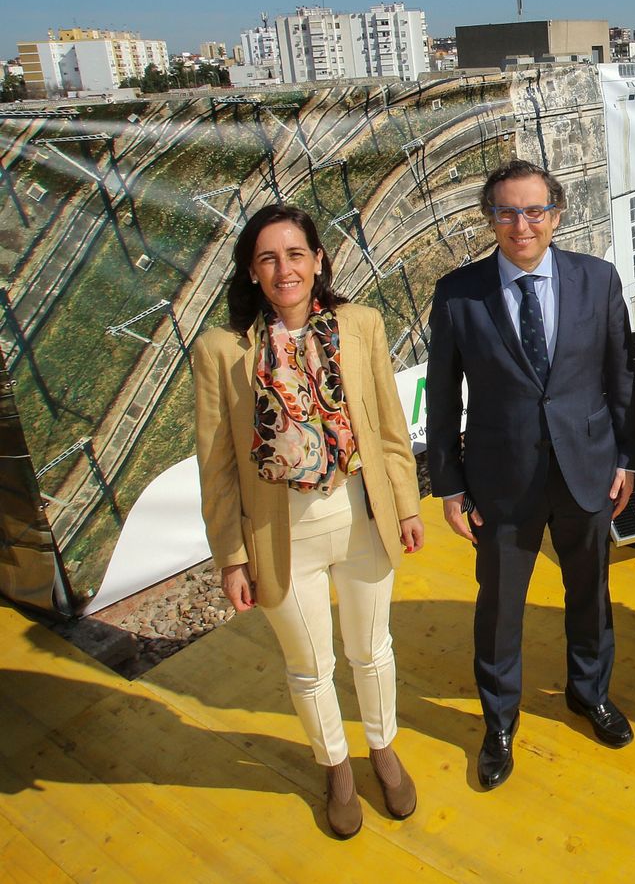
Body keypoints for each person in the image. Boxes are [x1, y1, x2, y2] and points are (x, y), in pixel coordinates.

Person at [194, 203, 425, 839]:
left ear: (318, 260)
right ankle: (336, 768)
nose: (284, 268)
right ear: (251, 271)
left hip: (361, 518)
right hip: (280, 536)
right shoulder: (220, 352)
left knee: (371, 650)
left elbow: (387, 426)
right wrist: (231, 556)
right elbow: (216, 466)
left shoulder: (361, 325)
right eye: (268, 257)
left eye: (296, 254)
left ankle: (381, 748)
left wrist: (406, 503)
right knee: (309, 665)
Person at [427, 160, 635, 789]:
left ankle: (588, 693)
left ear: (557, 213)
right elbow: (443, 397)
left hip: (587, 471)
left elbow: (621, 377)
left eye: (535, 210)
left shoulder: (597, 280)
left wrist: (627, 459)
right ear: (490, 218)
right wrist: (450, 483)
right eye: (508, 212)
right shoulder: (458, 294)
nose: (523, 225)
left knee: (590, 592)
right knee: (499, 607)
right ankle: (498, 723)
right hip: (500, 480)